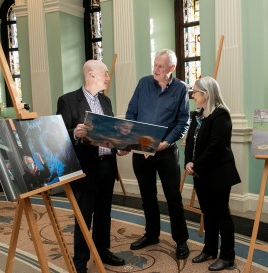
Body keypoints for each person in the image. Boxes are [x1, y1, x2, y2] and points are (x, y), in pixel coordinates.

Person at [56, 60, 127, 273]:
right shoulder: (68, 101)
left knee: (104, 214)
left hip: (107, 166)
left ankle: (102, 251)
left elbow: (110, 133)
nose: (108, 77)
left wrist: (120, 146)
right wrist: (74, 134)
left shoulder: (106, 101)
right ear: (91, 74)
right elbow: (59, 134)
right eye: (105, 73)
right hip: (86, 169)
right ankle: (80, 262)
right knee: (84, 217)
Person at [125, 49, 190, 259]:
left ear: (171, 69)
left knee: (173, 197)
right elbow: (131, 113)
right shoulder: (144, 83)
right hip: (142, 150)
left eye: (160, 66)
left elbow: (183, 122)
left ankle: (181, 240)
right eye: (155, 65)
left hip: (166, 151)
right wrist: (142, 144)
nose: (155, 69)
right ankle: (151, 234)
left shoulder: (180, 89)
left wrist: (164, 143)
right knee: (147, 196)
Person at [184, 76, 241, 271]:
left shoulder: (220, 114)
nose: (193, 95)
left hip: (218, 173)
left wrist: (196, 165)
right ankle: (209, 249)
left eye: (196, 92)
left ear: (206, 94)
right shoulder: (198, 114)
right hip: (201, 172)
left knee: (221, 214)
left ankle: (227, 257)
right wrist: (187, 163)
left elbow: (215, 147)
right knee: (207, 213)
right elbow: (190, 141)